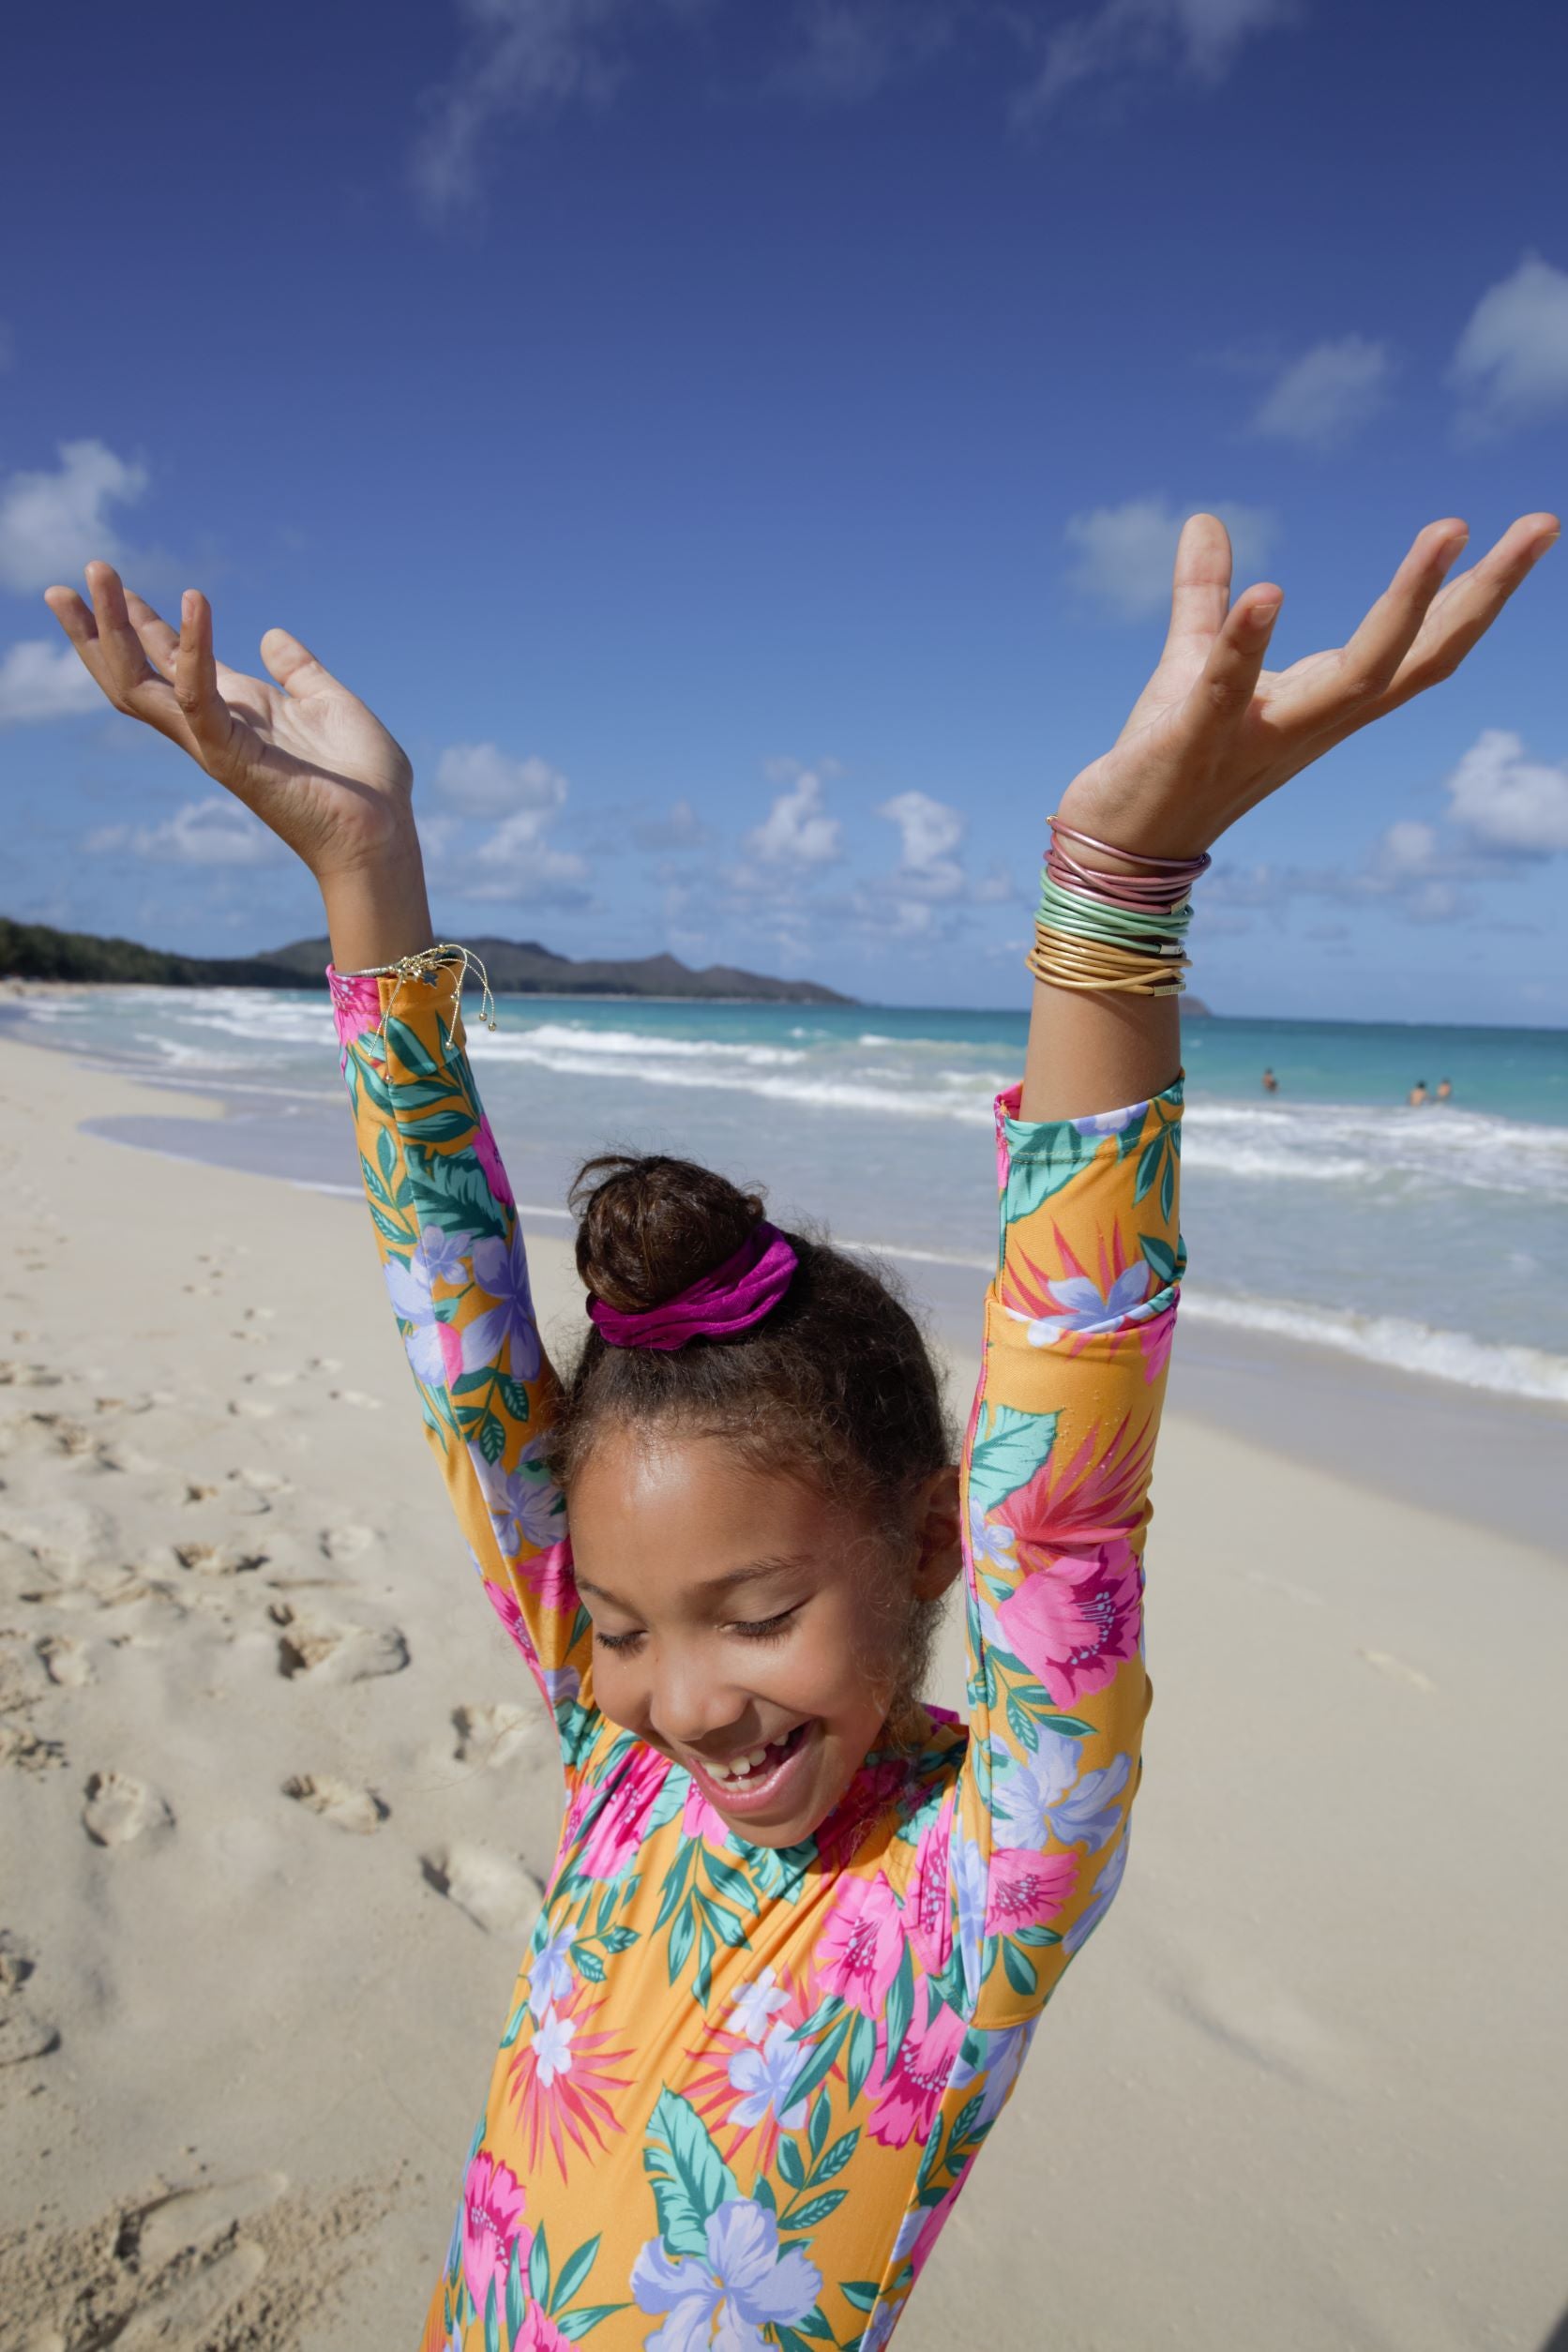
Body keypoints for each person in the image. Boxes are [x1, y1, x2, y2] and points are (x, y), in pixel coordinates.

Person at [44, 506, 1557, 2351]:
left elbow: (1067, 1482)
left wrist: (1114, 900)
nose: (680, 1701)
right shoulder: (618, 1761)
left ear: (927, 1542)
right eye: (617, 1626)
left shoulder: (984, 1882)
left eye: (754, 1616)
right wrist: (368, 867)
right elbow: (461, 1337)